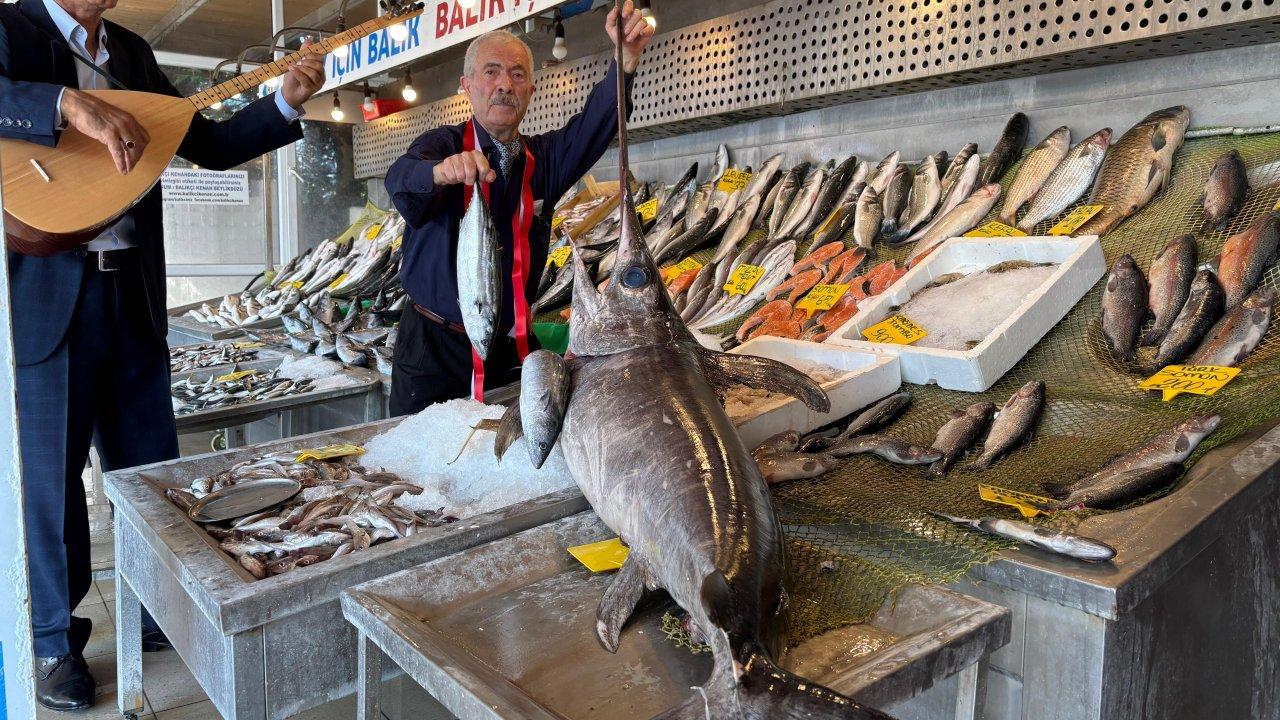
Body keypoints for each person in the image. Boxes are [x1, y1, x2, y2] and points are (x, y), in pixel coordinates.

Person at [0, 0, 325, 710]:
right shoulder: (9, 28)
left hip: (133, 296)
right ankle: (55, 641)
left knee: (150, 474)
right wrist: (65, 105)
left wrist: (283, 102)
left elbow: (203, 142)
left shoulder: (132, 53)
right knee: (50, 487)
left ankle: (155, 615)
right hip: (48, 300)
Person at [384, 1, 654, 415]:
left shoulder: (542, 160)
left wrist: (626, 59)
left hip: (507, 346)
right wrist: (441, 172)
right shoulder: (441, 145)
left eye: (517, 74)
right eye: (491, 72)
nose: (504, 85)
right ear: (468, 85)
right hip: (431, 351)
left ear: (531, 89)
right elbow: (401, 179)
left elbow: (594, 127)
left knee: (509, 463)